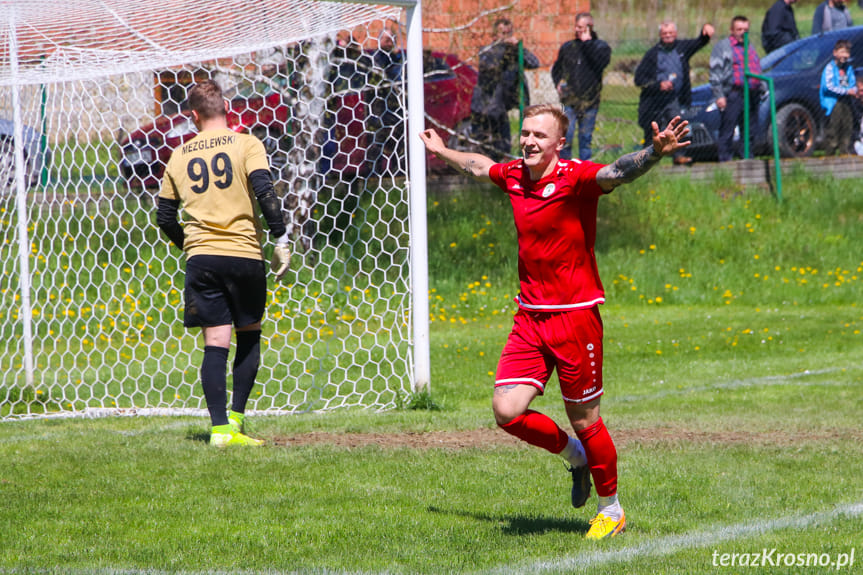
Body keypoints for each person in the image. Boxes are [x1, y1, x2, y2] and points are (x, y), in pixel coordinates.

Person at [419, 105, 691, 540]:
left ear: (558, 143)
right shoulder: (514, 176)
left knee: (586, 418)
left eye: (539, 136)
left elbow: (616, 173)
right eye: (524, 133)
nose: (528, 142)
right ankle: (575, 456)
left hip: (575, 318)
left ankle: (612, 509)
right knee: (507, 412)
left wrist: (654, 154)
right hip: (530, 317)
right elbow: (479, 167)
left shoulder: (575, 177)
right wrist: (443, 150)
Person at [157, 79, 291, 447]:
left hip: (202, 259)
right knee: (248, 333)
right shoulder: (247, 143)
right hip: (245, 255)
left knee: (215, 342)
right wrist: (281, 238)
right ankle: (237, 419)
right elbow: (265, 191)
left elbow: (165, 216)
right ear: (226, 109)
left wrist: (192, 246)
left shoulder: (179, 154)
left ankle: (219, 432)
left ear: (194, 115)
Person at [635, 20, 714, 164]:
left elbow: (699, 42)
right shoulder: (652, 54)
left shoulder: (682, 48)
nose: (668, 36)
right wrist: (659, 85)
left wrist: (706, 32)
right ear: (660, 35)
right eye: (665, 33)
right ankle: (646, 161)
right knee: (653, 131)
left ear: (675, 34)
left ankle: (679, 156)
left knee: (679, 125)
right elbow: (639, 79)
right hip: (654, 101)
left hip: (674, 99)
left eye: (670, 33)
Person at [469, 18, 540, 161]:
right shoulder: (487, 51)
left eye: (509, 33)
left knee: (504, 145)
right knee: (484, 147)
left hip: (501, 106)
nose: (506, 36)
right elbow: (489, 66)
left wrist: (519, 48)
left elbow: (534, 63)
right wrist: (503, 48)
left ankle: (500, 174)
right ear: (495, 35)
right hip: (485, 107)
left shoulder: (514, 52)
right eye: (502, 33)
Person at [551, 12, 612, 161]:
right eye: (576, 26)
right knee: (567, 138)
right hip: (570, 101)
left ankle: (585, 173)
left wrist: (587, 44)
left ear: (589, 28)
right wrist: (558, 82)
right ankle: (564, 170)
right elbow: (556, 69)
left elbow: (601, 63)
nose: (577, 29)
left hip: (590, 102)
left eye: (580, 27)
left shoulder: (600, 47)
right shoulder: (568, 47)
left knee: (585, 139)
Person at [709, 15, 765, 162]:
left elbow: (757, 69)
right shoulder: (723, 47)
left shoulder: (750, 47)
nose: (742, 32)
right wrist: (719, 95)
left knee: (750, 130)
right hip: (733, 94)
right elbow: (715, 73)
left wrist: (762, 87)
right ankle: (725, 161)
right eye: (739, 29)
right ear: (732, 30)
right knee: (728, 129)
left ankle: (747, 157)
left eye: (745, 29)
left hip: (752, 94)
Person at [820, 39, 859, 155]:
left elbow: (853, 83)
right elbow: (828, 87)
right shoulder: (829, 69)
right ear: (835, 53)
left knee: (847, 127)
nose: (845, 55)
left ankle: (844, 153)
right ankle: (830, 155)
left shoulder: (848, 68)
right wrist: (847, 91)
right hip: (833, 102)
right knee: (833, 130)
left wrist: (855, 90)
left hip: (847, 101)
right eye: (842, 52)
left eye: (847, 53)